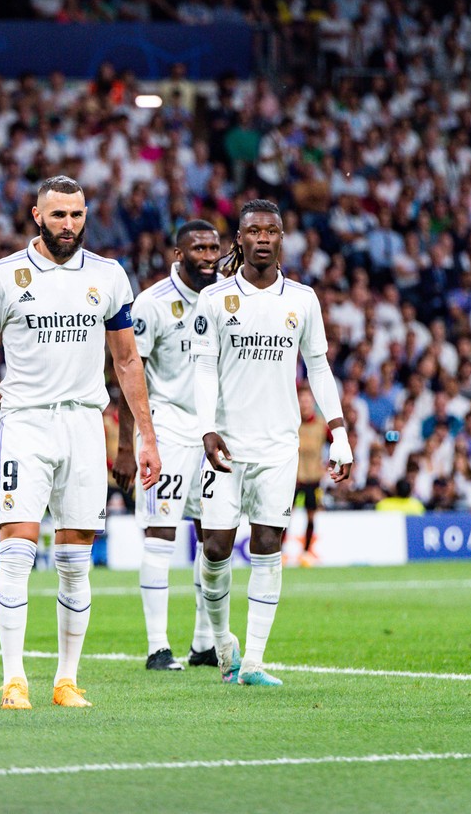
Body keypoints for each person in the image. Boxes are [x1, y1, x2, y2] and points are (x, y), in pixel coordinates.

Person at [0, 175, 161, 709]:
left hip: (86, 425)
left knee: (74, 561)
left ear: (85, 215)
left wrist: (144, 438)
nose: (67, 224)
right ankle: (13, 679)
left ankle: (66, 680)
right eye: (57, 214)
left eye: (76, 214)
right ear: (36, 215)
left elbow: (127, 360)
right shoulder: (4, 276)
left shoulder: (110, 275)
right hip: (25, 423)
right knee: (16, 552)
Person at [191, 199, 353, 688]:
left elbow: (319, 368)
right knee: (215, 546)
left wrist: (339, 432)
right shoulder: (215, 300)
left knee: (267, 545)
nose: (262, 238)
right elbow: (202, 368)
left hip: (280, 445)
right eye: (253, 231)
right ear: (238, 240)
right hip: (227, 444)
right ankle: (223, 646)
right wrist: (206, 428)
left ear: (282, 239)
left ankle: (255, 661)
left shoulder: (302, 299)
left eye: (271, 231)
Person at [112, 219, 222, 672]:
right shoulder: (152, 304)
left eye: (214, 247)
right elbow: (126, 371)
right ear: (179, 254)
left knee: (214, 538)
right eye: (198, 248)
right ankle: (158, 647)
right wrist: (125, 446)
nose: (209, 256)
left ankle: (203, 644)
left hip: (214, 432)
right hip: (167, 431)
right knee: (161, 534)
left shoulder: (225, 299)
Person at [294, 388, 329, 566]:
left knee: (311, 516)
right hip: (293, 477)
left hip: (313, 478)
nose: (305, 404)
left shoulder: (322, 425)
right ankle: (279, 552)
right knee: (284, 517)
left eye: (308, 400)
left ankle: (306, 553)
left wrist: (330, 465)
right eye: (302, 400)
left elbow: (336, 442)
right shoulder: (291, 422)